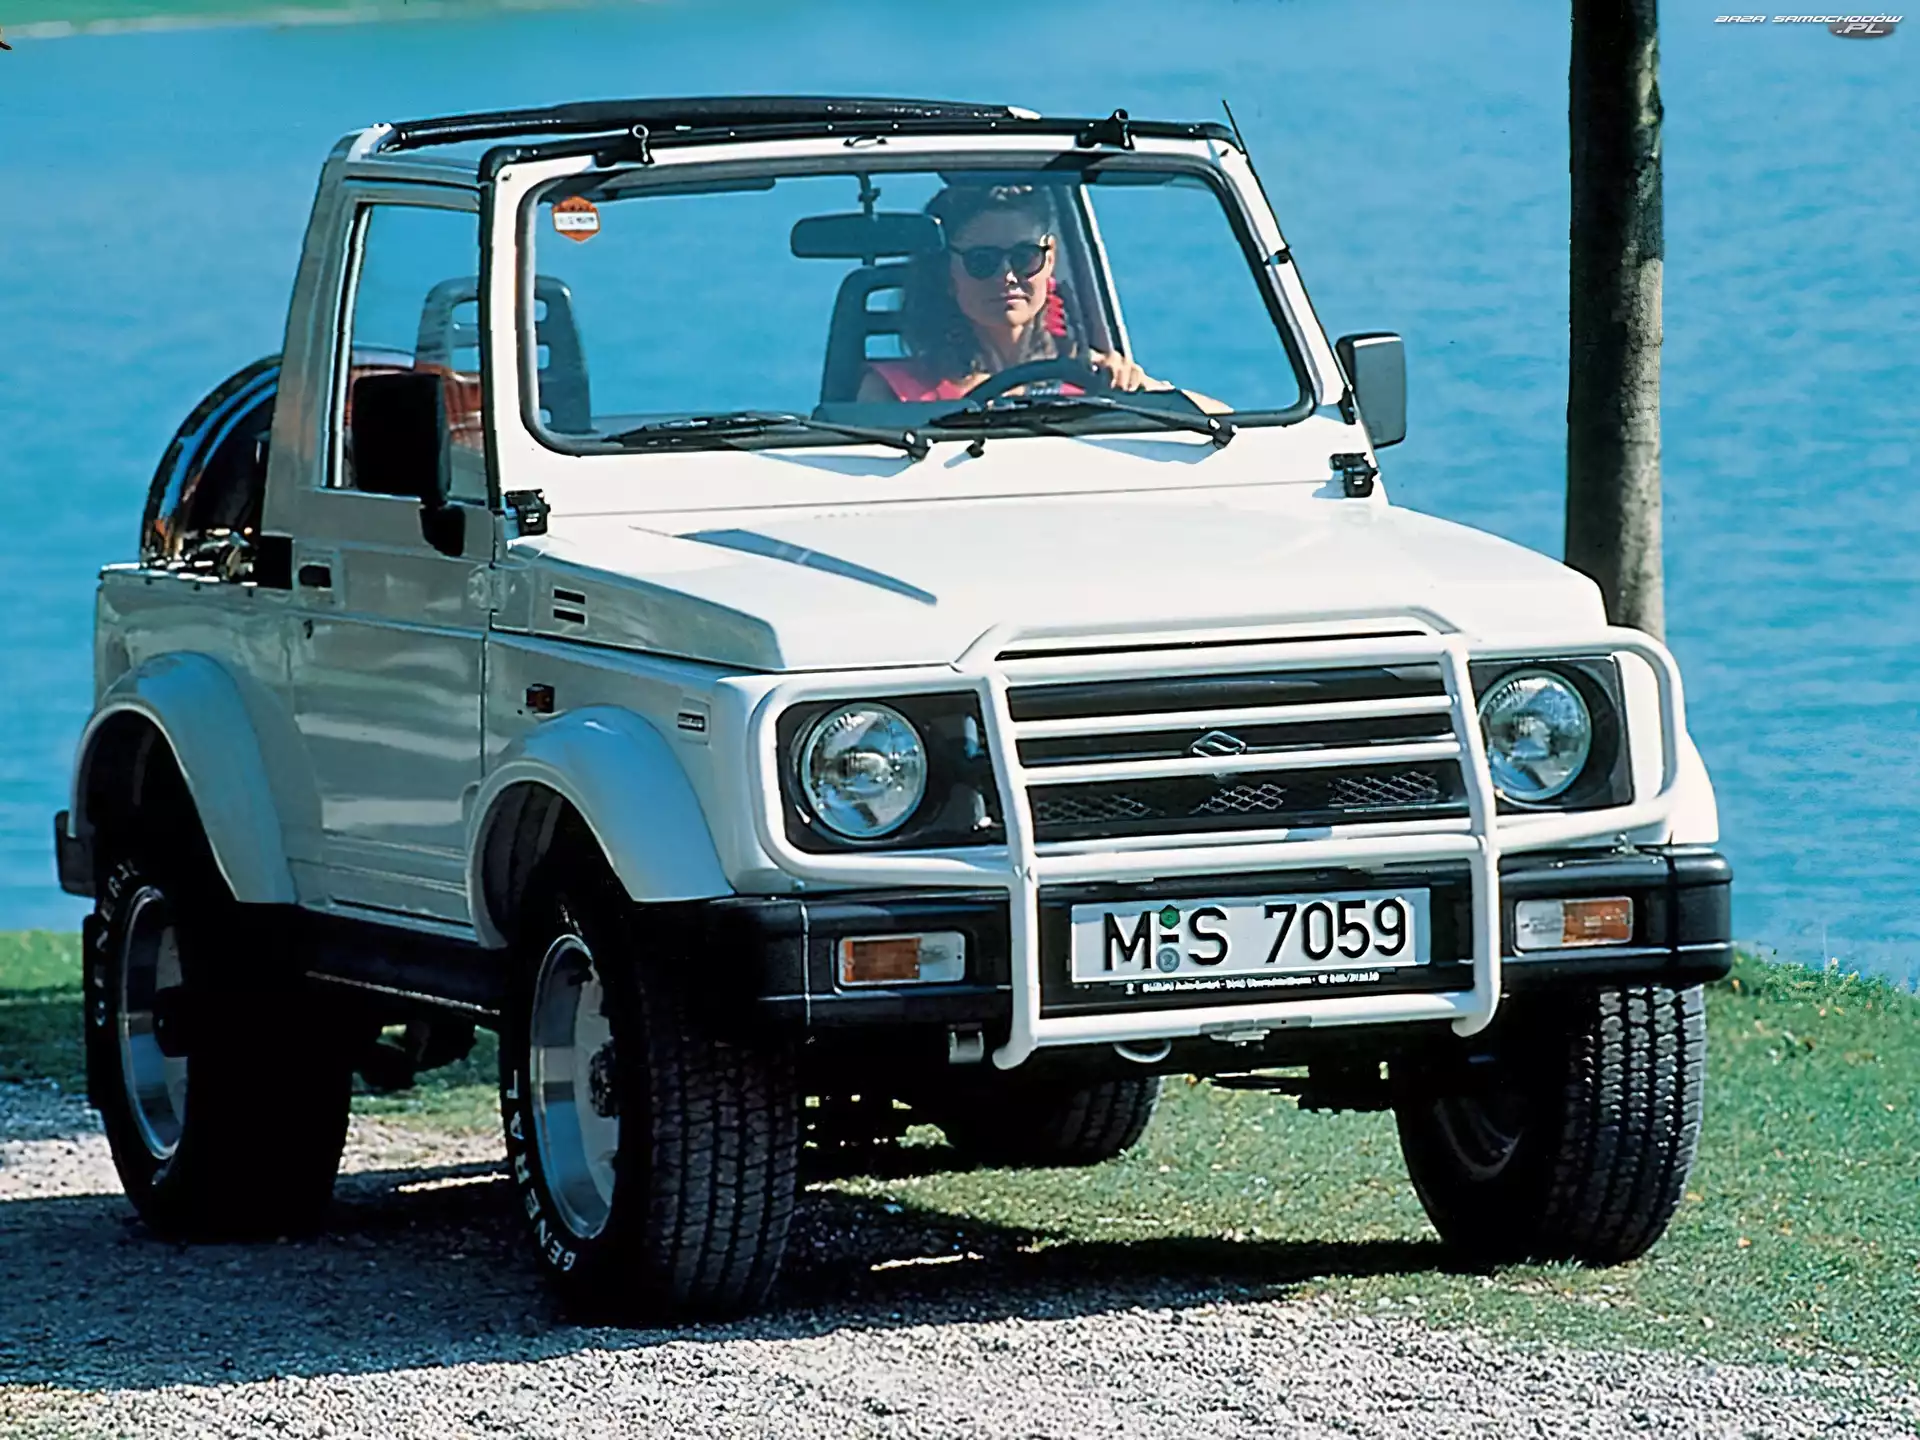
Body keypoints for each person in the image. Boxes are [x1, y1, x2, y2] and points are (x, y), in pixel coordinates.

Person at [858, 184, 1162, 403]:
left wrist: (1137, 385)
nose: (1007, 277)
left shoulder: (1095, 378)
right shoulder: (895, 394)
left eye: (1025, 257)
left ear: (1050, 260)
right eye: (982, 261)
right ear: (945, 273)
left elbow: (1193, 422)